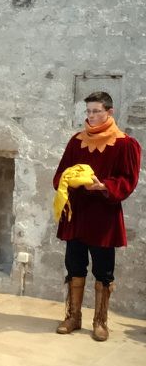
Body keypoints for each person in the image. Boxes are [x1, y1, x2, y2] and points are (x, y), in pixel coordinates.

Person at [53, 91, 141, 341]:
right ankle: (73, 316)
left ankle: (100, 321)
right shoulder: (76, 141)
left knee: (103, 271)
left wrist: (104, 187)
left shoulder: (125, 144)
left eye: (95, 111)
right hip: (77, 215)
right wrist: (70, 181)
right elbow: (59, 175)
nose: (90, 116)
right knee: (74, 265)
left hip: (103, 217)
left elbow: (128, 180)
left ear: (109, 112)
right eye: (88, 111)